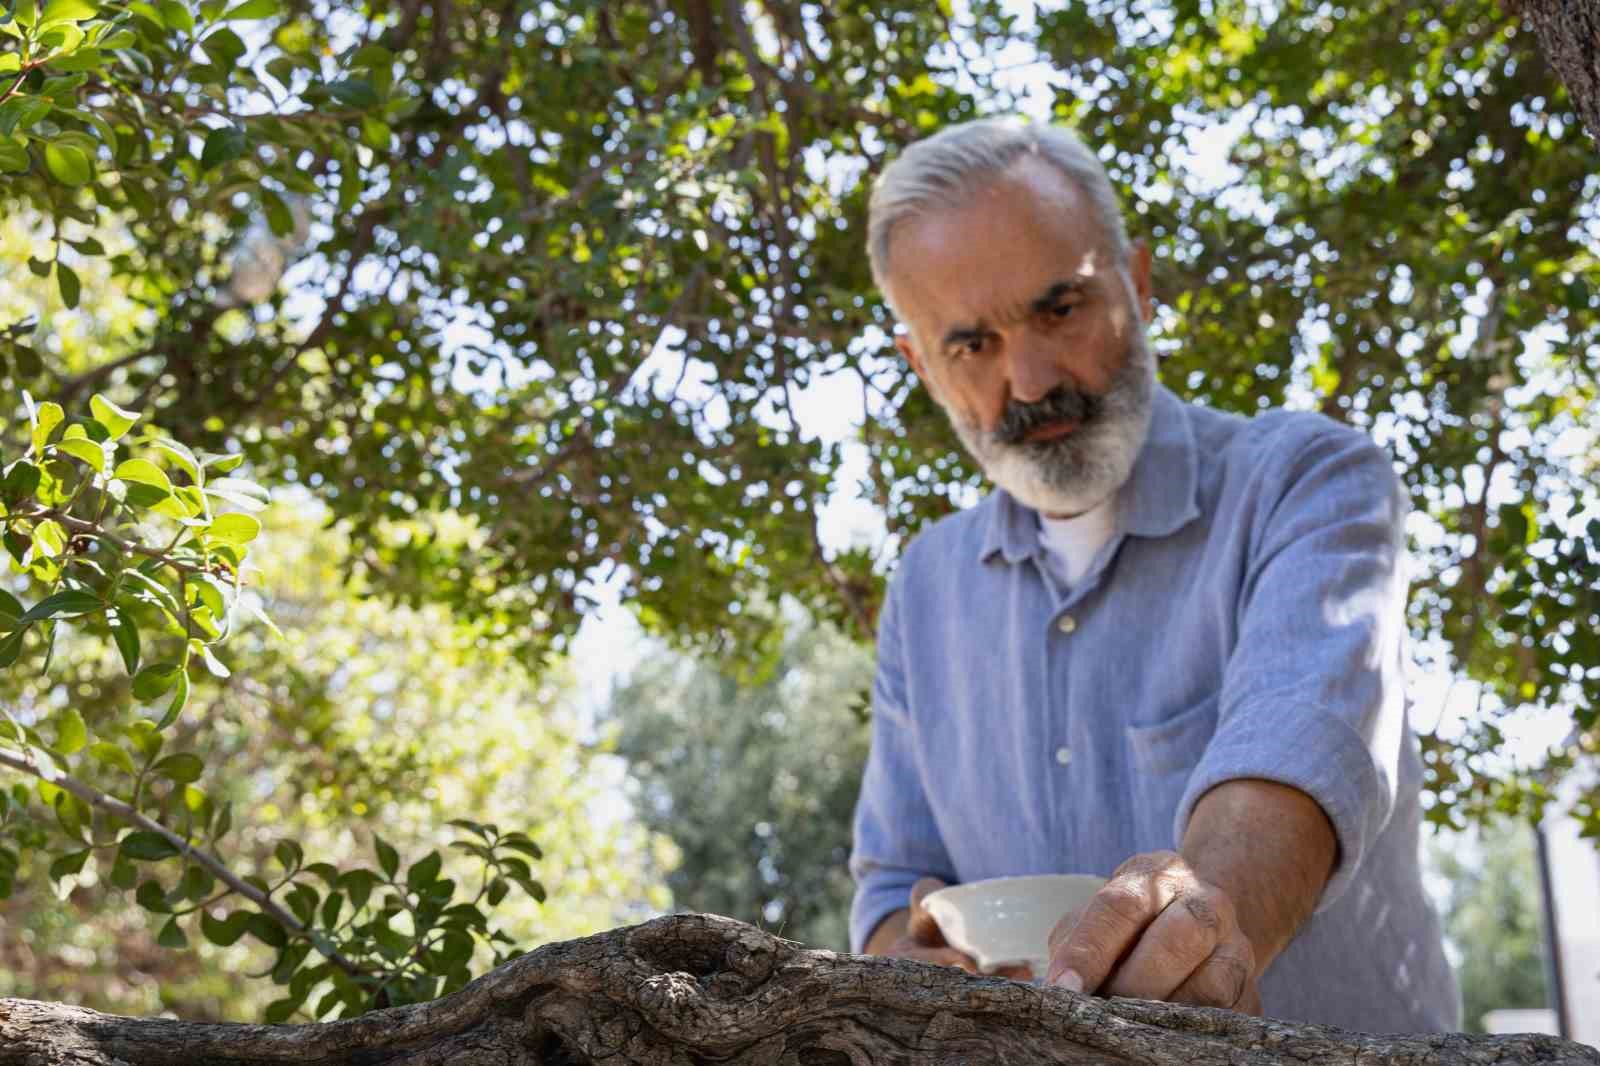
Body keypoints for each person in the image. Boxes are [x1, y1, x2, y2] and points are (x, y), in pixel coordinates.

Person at [847, 117, 1460, 1032]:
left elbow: (1296, 755)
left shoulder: (1309, 482)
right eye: (971, 344)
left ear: (1135, 283)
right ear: (923, 368)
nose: (1030, 379)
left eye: (1059, 309)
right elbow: (895, 888)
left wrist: (1208, 914)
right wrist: (911, 959)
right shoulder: (926, 588)